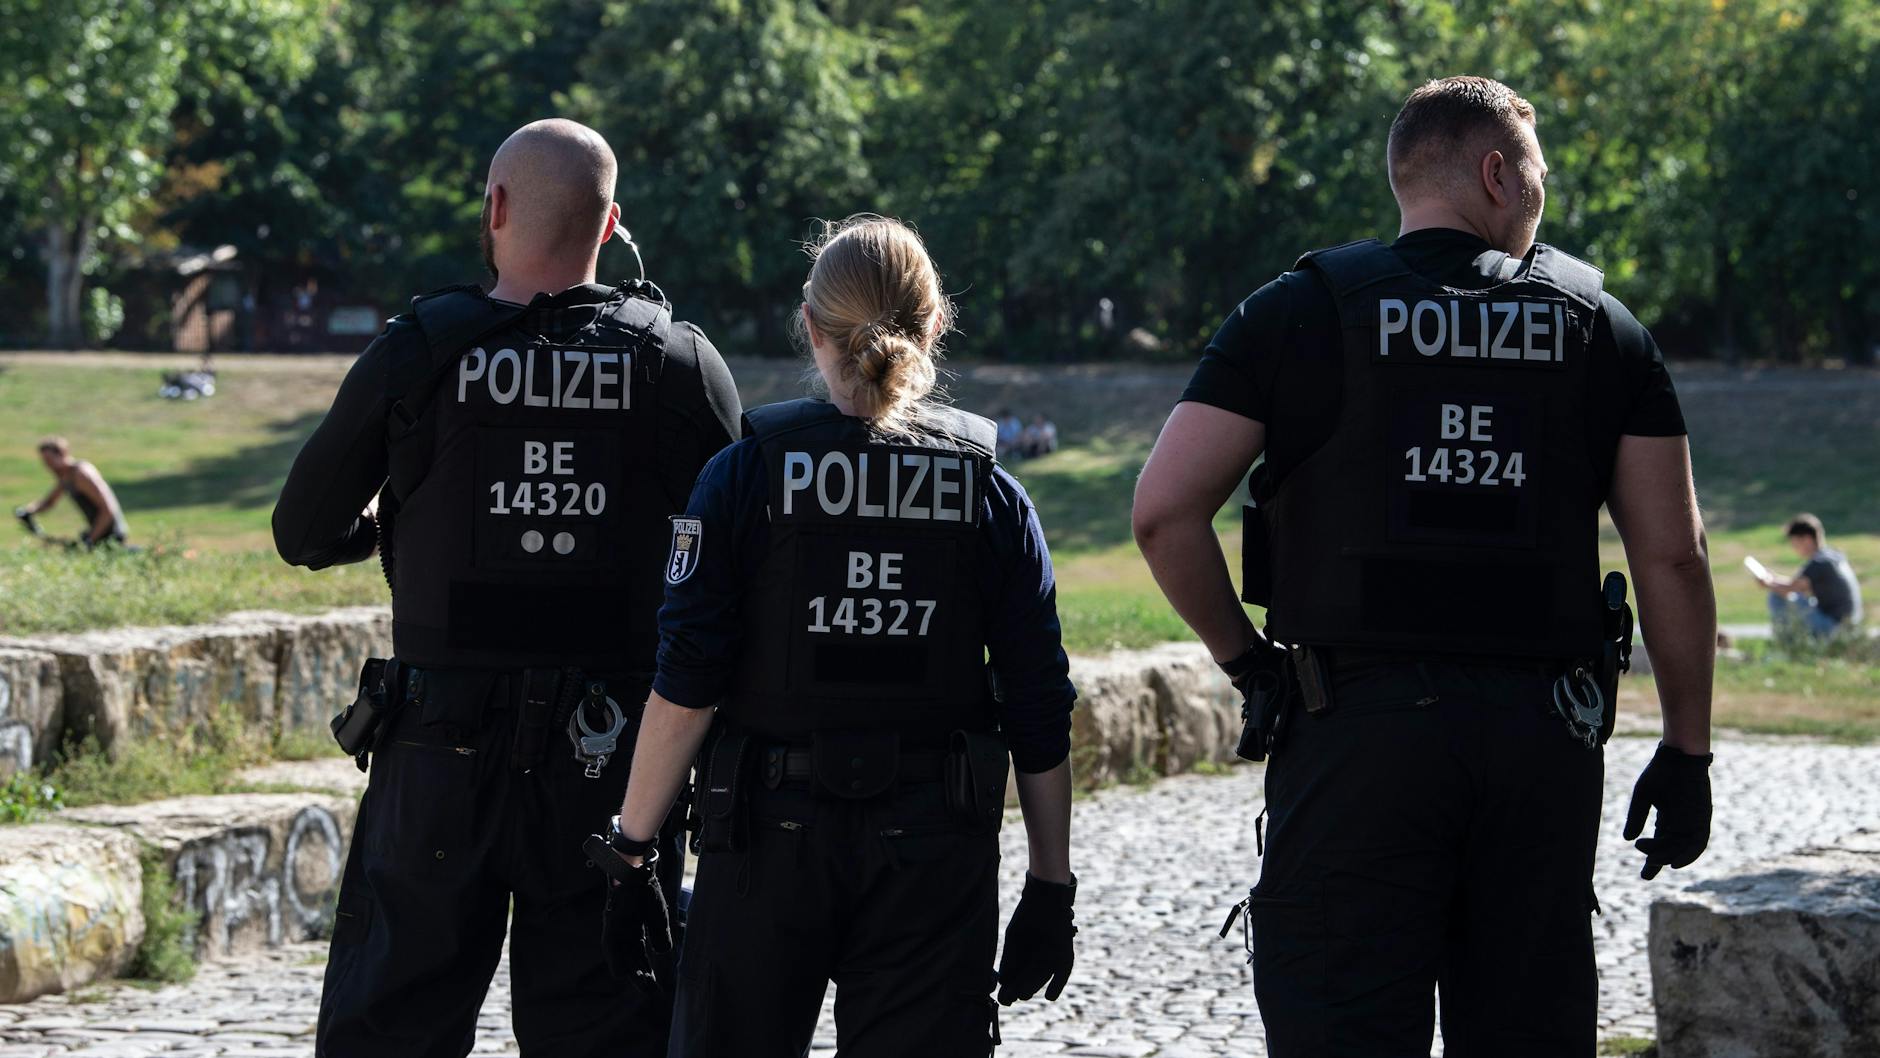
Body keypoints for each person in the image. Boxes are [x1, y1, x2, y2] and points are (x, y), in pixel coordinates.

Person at [1131, 76, 1717, 1057]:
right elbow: (1671, 552)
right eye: (1537, 173)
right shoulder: (1599, 328)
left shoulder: (1299, 311)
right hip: (1538, 742)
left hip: (1352, 732)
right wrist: (1686, 749)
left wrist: (1252, 667)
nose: (1542, 195)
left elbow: (1161, 514)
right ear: (1496, 173)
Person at [272, 118, 741, 1058]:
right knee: (606, 1027)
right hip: (610, 763)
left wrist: (382, 533)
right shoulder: (678, 362)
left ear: (493, 207)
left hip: (438, 750)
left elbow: (301, 529)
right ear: (611, 228)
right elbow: (741, 560)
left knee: (392, 1023)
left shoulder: (420, 349)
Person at [597, 215, 1078, 1057]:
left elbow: (687, 686)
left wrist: (632, 851)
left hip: (764, 841)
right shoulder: (991, 494)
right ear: (935, 326)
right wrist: (1050, 883)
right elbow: (1037, 706)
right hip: (933, 851)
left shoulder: (743, 476)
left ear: (810, 328)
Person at [1756, 513, 1863, 636]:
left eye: (1795, 543)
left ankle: (1786, 643)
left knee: (1776, 596)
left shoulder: (1819, 563)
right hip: (1849, 624)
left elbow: (1790, 588)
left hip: (1834, 627)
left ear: (1806, 539)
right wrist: (1774, 578)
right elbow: (1796, 584)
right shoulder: (1831, 556)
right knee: (1798, 599)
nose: (1794, 548)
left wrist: (1768, 583)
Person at [14, 437, 128, 547]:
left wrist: (90, 540)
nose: (48, 466)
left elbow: (107, 510)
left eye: (50, 461)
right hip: (97, 533)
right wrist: (28, 510)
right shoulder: (66, 476)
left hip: (111, 534)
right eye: (45, 462)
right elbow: (49, 502)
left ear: (62, 454)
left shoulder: (81, 474)